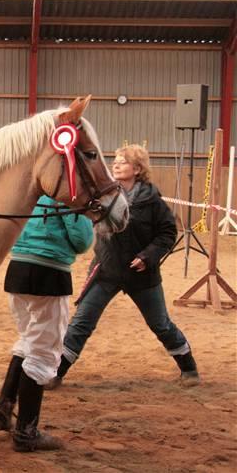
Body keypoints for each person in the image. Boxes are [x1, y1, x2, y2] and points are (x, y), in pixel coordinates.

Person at [47, 144, 200, 390]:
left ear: (137, 169)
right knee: (82, 322)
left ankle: (189, 368)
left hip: (141, 275)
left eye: (123, 161)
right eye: (115, 160)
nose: (116, 164)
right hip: (105, 271)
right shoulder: (103, 194)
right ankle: (56, 373)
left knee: (160, 324)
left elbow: (167, 233)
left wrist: (148, 257)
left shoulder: (152, 200)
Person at [0, 195, 94, 452]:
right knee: (44, 350)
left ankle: (3, 408)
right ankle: (26, 431)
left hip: (17, 270)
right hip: (48, 274)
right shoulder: (68, 197)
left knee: (28, 340)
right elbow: (82, 241)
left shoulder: (31, 190)